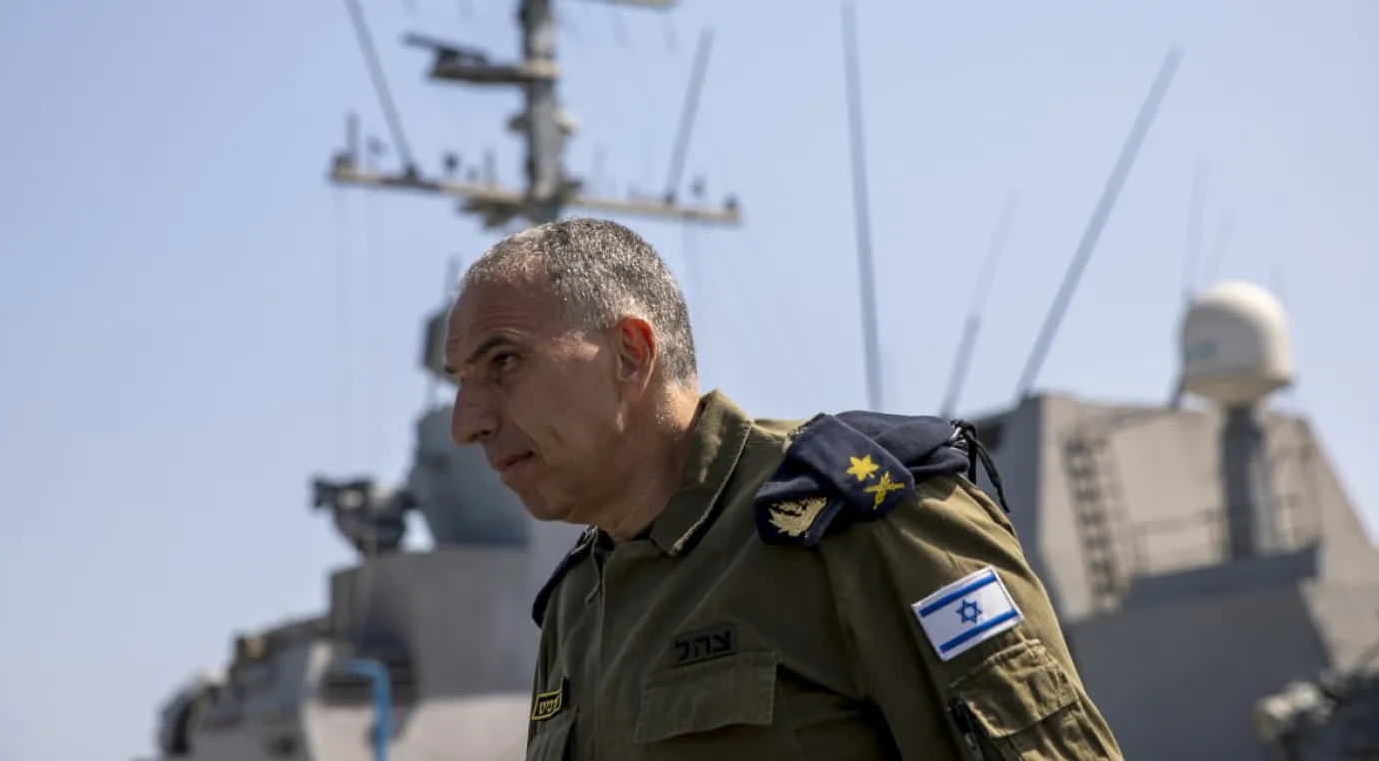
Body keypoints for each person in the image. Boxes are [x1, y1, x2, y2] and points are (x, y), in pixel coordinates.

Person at [445, 216, 1123, 760]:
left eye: (502, 361)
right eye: (460, 381)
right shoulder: (577, 607)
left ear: (631, 355)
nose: (465, 423)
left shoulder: (858, 524)